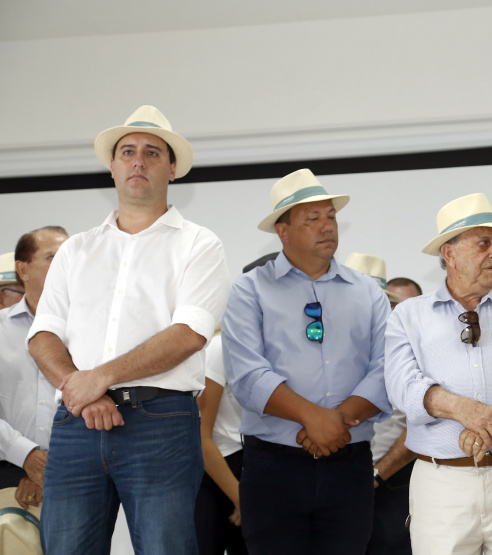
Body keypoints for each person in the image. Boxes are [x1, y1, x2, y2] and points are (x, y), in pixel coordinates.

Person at [27, 105, 231, 555]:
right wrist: (86, 391)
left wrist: (99, 377)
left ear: (172, 169)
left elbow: (190, 333)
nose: (138, 161)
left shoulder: (200, 244)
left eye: (153, 153)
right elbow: (43, 335)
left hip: (161, 423)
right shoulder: (77, 249)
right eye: (128, 151)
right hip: (76, 423)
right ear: (113, 166)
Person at [222, 169, 392, 554]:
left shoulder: (367, 291)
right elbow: (247, 375)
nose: (326, 226)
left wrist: (336, 424)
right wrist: (315, 420)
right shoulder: (250, 289)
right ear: (282, 231)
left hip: (349, 467)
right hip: (273, 468)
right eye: (311, 219)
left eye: (330, 216)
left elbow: (386, 368)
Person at [385, 192, 492, 555]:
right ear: (449, 253)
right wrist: (465, 410)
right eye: (483, 243)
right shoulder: (408, 315)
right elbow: (403, 385)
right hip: (441, 484)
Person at [339, 255, 414, 555]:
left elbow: (421, 427)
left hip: (390, 484)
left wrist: (376, 475)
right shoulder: (321, 357)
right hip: (332, 488)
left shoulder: (407, 356)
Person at [0, 227, 68, 512]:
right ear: (23, 269)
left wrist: (48, 468)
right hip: (6, 472)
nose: (66, 263)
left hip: (77, 473)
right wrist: (26, 457)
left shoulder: (93, 329)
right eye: (53, 256)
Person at [195, 324, 248, 555]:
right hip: (216, 471)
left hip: (258, 470)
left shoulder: (275, 349)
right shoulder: (219, 348)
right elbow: (199, 435)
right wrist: (241, 498)